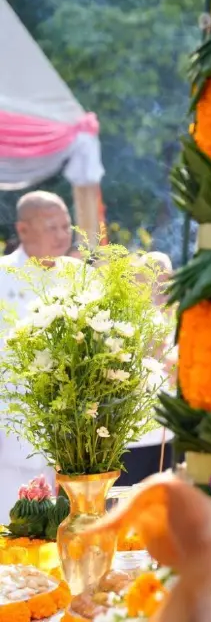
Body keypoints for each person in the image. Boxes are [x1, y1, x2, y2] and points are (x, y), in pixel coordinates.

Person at [0, 191, 74, 519]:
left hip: (72, 428)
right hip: (12, 423)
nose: (62, 235)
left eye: (65, 226)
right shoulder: (3, 275)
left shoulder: (78, 274)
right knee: (13, 523)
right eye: (51, 227)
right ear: (24, 229)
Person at [119, 251, 177, 486]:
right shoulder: (124, 321)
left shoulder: (181, 318)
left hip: (170, 435)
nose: (159, 288)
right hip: (133, 441)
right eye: (152, 278)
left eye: (165, 279)